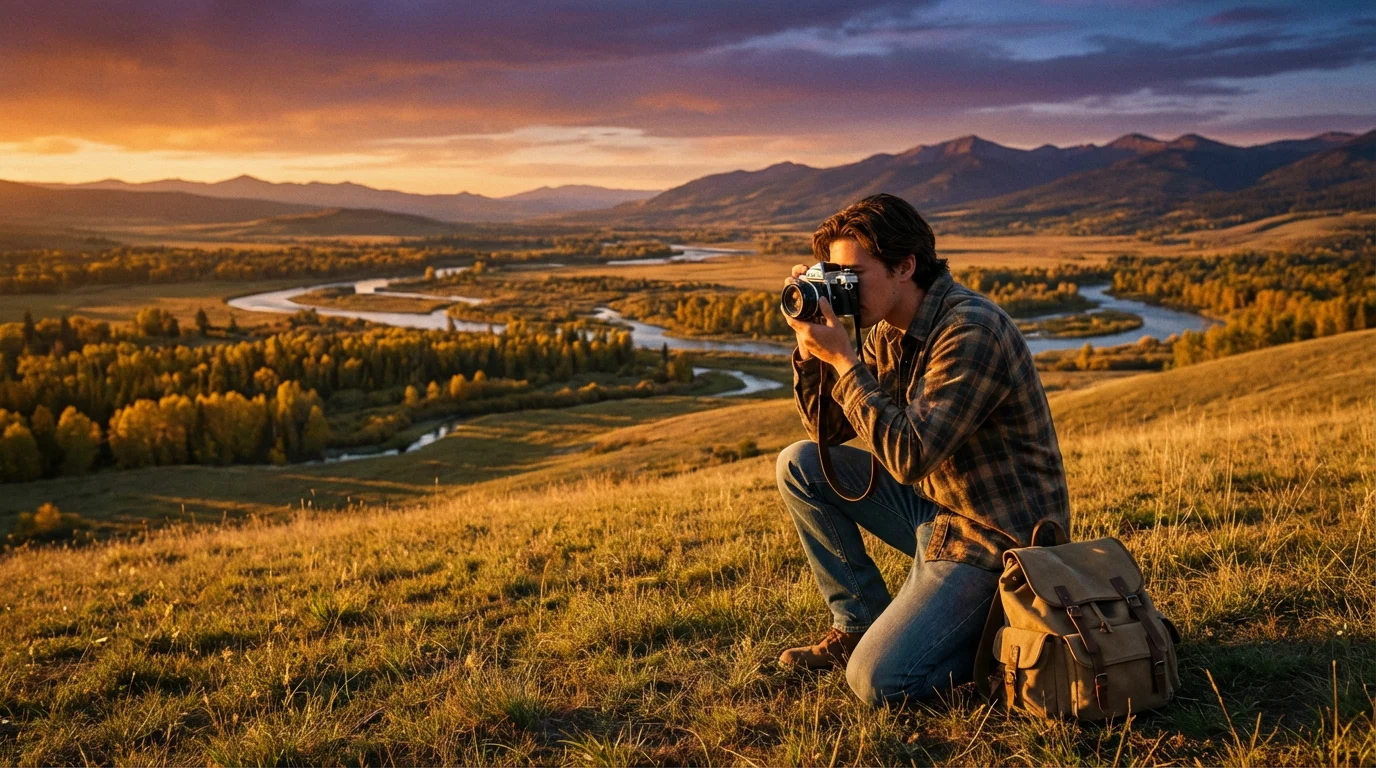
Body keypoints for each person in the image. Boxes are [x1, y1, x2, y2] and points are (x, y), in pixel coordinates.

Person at [776, 193, 1070, 706]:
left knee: (879, 681)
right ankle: (856, 625)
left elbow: (910, 455)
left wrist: (846, 363)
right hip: (936, 509)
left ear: (905, 265)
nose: (842, 288)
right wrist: (811, 353)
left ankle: (1008, 646)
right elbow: (830, 431)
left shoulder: (970, 330)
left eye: (852, 274)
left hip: (997, 540)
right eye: (833, 276)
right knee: (800, 464)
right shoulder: (890, 330)